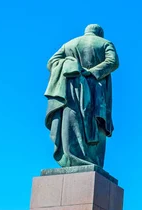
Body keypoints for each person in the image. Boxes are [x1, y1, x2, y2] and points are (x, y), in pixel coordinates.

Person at [45, 24, 119, 168]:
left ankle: (70, 157)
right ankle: (91, 162)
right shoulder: (105, 43)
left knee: (71, 120)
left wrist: (69, 65)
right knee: (96, 126)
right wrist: (92, 72)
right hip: (95, 90)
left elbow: (52, 62)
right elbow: (113, 62)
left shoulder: (69, 44)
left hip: (71, 89)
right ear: (100, 33)